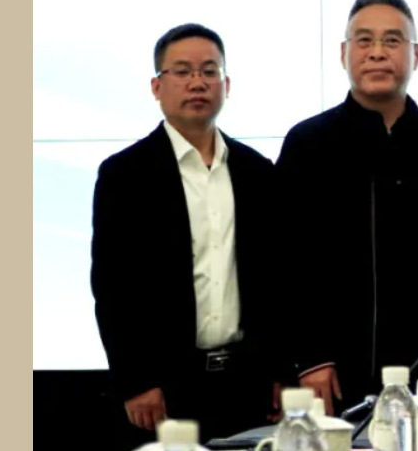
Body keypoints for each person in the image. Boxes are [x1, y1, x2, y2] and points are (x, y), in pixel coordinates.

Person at [276, 0, 418, 413]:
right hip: (336, 375)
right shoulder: (308, 144)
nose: (377, 53)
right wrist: (310, 358)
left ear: (416, 55)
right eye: (364, 41)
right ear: (343, 53)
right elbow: (284, 260)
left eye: (392, 41)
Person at [91, 24, 281, 448]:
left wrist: (279, 372)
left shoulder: (256, 171)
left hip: (247, 382)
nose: (197, 82)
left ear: (226, 85)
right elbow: (112, 286)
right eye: (182, 71)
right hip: (165, 386)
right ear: (157, 86)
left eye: (209, 71)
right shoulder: (125, 174)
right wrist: (136, 380)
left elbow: (275, 279)